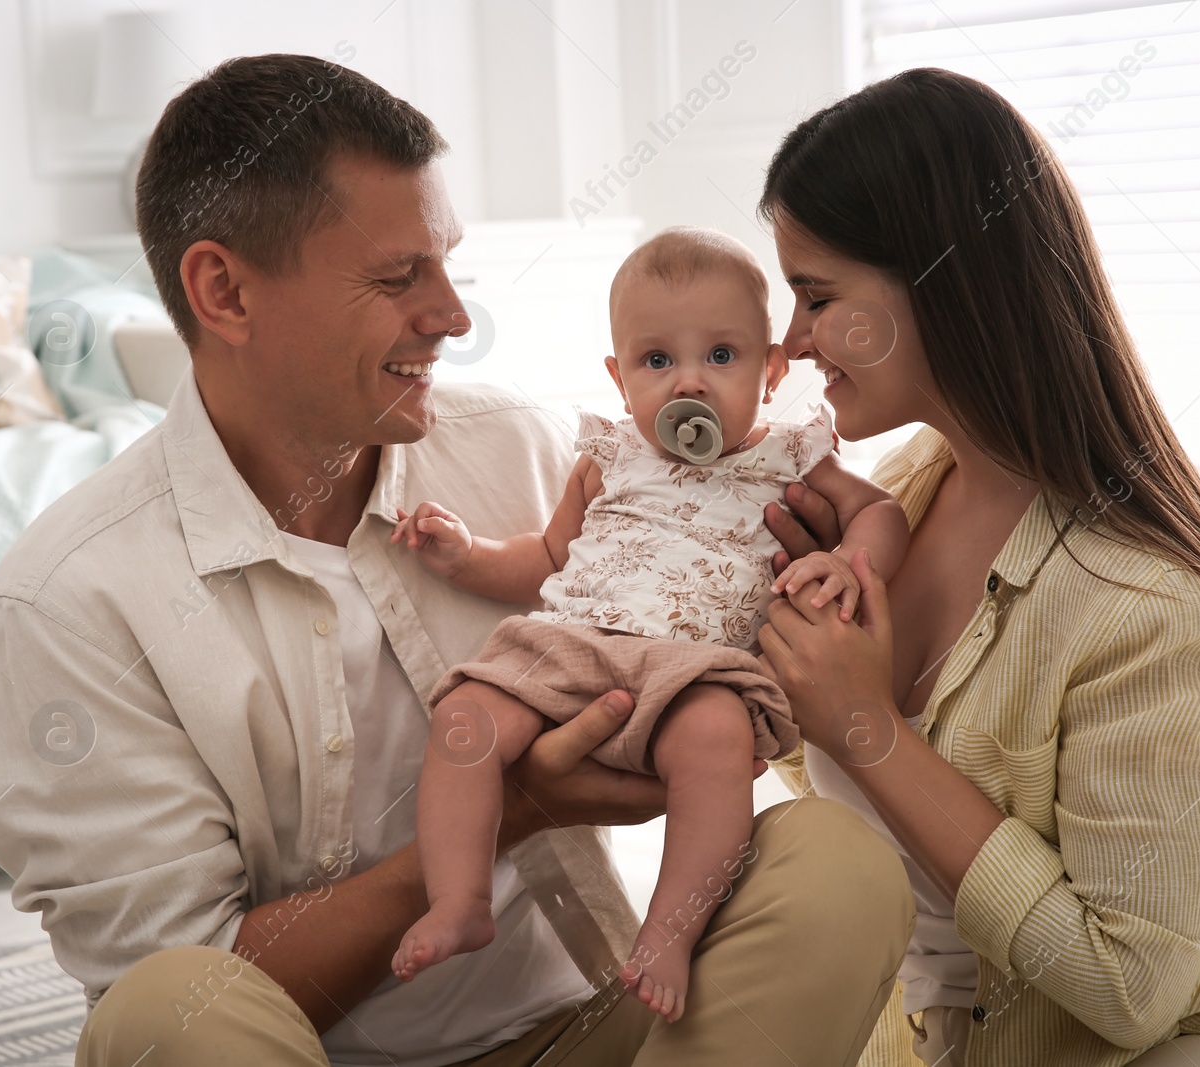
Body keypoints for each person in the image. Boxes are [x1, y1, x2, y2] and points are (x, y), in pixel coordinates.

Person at [0, 55, 913, 1067]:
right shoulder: (67, 605)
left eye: (447, 263)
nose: (454, 315)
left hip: (589, 1031)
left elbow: (714, 623)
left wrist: (811, 589)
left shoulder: (529, 450)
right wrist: (522, 808)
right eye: (398, 275)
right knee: (163, 1005)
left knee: (834, 863)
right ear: (224, 291)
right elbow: (195, 995)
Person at [753, 68, 1200, 1067]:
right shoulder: (901, 492)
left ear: (938, 281)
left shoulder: (1145, 606)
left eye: (815, 295)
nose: (788, 342)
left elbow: (1126, 990)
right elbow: (833, 791)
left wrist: (869, 727)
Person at [389, 227, 910, 1024]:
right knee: (465, 717)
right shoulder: (610, 455)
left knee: (717, 743)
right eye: (657, 361)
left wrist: (850, 561)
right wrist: (467, 555)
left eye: (722, 357)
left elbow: (880, 511)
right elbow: (549, 555)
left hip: (693, 665)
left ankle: (668, 931)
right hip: (571, 643)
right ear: (619, 376)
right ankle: (458, 899)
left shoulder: (791, 458)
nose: (688, 383)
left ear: (773, 371)